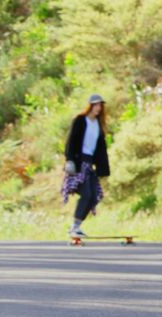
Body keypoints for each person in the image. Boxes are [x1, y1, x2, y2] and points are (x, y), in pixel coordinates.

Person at [61, 94, 110, 238]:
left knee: (94, 196)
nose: (98, 108)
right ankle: (74, 228)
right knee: (87, 194)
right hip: (78, 162)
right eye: (96, 105)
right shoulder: (80, 121)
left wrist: (102, 169)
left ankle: (76, 226)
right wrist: (69, 160)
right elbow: (71, 141)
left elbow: (101, 149)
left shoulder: (98, 125)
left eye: (100, 105)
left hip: (89, 164)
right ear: (90, 105)